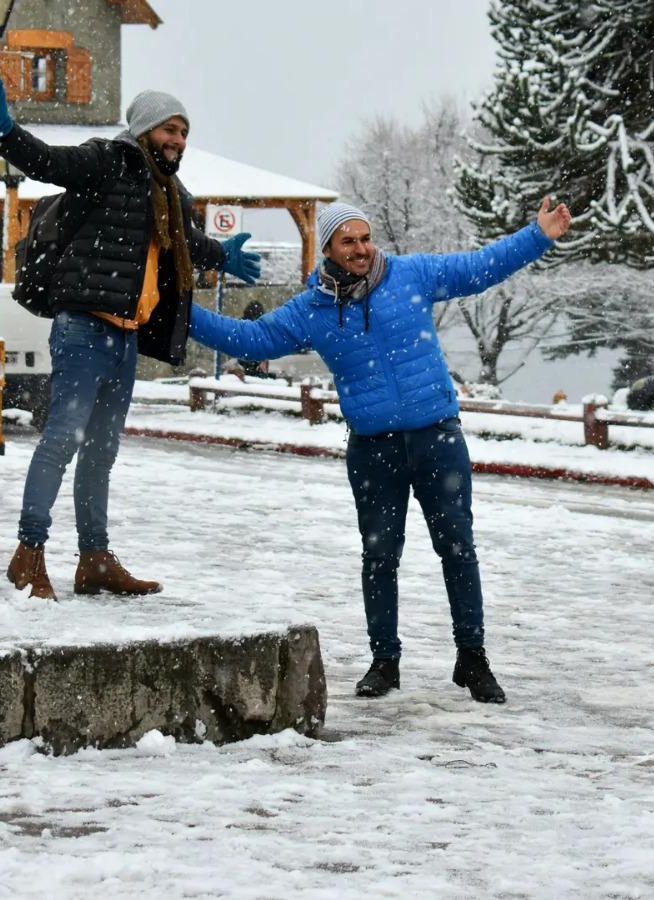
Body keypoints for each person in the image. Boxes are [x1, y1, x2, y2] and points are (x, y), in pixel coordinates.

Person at [186, 198, 572, 703]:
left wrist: (537, 235)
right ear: (328, 248)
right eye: (349, 241)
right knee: (379, 556)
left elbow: (481, 267)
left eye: (365, 238)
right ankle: (384, 661)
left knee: (458, 550)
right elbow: (252, 338)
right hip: (374, 449)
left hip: (437, 437)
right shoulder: (312, 311)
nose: (362, 249)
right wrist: (177, 309)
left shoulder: (411, 275)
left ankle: (473, 659)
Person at [0, 80, 262, 600]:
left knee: (100, 453)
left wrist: (222, 255)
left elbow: (187, 244)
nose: (180, 140)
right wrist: (5, 133)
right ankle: (28, 555)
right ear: (146, 129)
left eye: (185, 132)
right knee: (61, 441)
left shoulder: (169, 193)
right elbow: (48, 163)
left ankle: (94, 559)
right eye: (171, 129)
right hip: (84, 328)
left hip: (125, 338)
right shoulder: (106, 161)